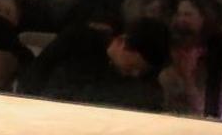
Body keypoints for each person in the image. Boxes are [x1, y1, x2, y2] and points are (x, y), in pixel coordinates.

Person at [20, 16, 170, 112]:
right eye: (133, 68)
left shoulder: (142, 85)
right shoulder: (78, 40)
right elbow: (35, 75)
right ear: (122, 43)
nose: (136, 74)